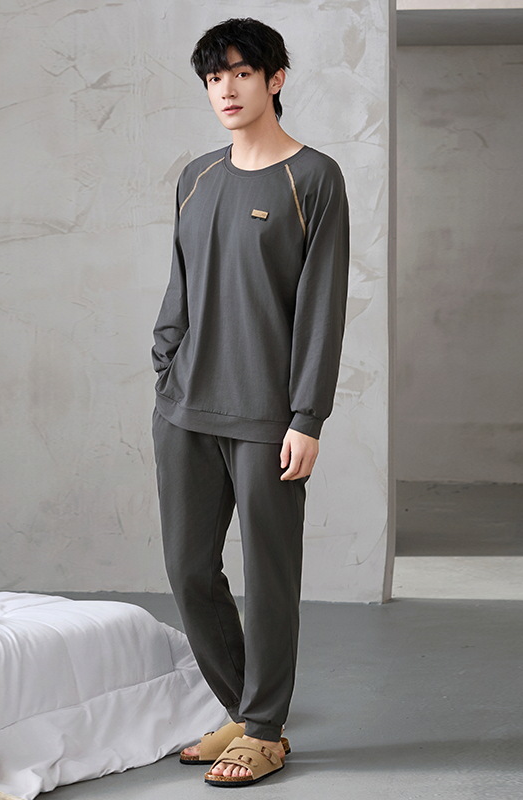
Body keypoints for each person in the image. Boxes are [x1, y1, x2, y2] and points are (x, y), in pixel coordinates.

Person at [150, 17, 350, 788]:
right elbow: (180, 283)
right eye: (213, 78)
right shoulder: (196, 176)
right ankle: (245, 709)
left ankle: (264, 731)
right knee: (188, 569)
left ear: (275, 79)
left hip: (269, 419)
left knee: (269, 578)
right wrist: (166, 362)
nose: (226, 89)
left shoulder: (315, 178)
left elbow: (322, 306)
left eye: (240, 72)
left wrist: (307, 417)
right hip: (185, 409)